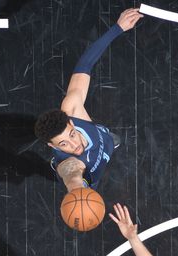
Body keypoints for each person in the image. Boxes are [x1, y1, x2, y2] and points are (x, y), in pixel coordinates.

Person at [33, 8, 143, 191]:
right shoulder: (68, 163)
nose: (74, 145)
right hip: (90, 176)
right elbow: (71, 176)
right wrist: (77, 189)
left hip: (104, 138)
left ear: (71, 123)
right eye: (63, 144)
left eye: (71, 134)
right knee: (91, 183)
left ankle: (108, 140)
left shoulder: (72, 108)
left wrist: (117, 28)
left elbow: (85, 65)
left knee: (107, 137)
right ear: (51, 146)